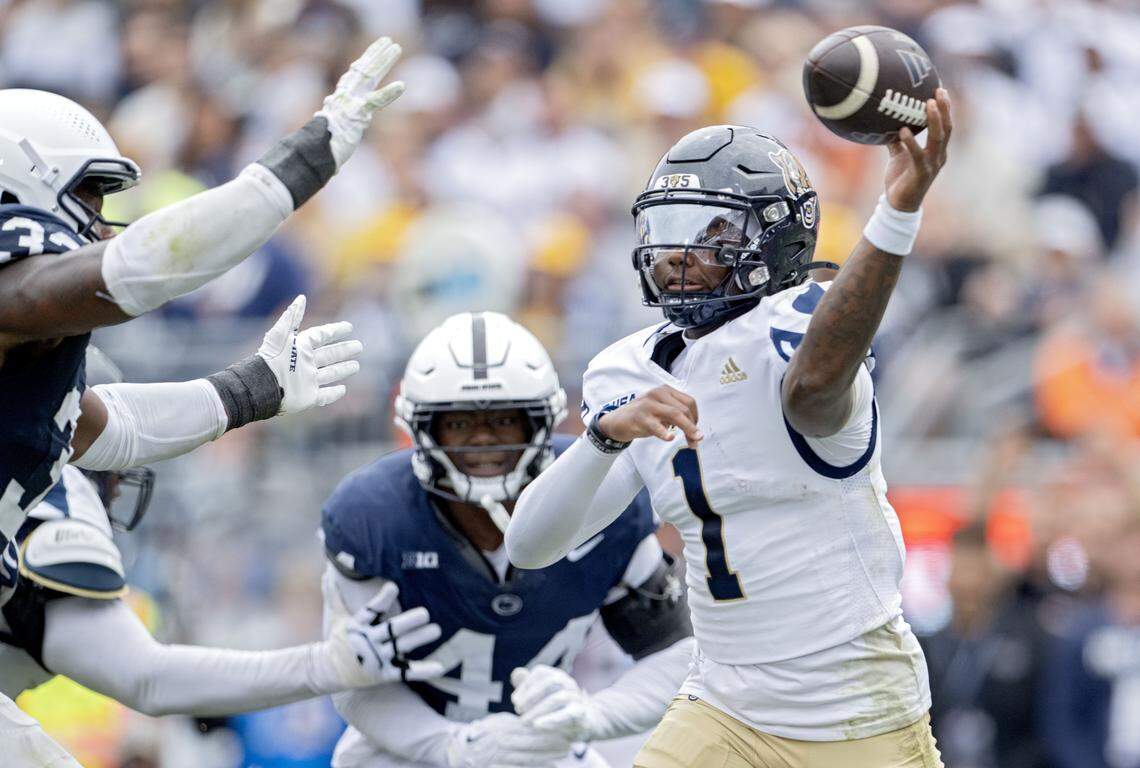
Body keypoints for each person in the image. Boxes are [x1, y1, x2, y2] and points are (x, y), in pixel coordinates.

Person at [506, 91, 953, 767]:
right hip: (724, 701)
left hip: (852, 705)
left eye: (712, 230)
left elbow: (813, 390)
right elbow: (531, 545)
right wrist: (603, 438)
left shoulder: (805, 328)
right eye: (670, 226)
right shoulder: (624, 368)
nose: (677, 252)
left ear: (776, 239)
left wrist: (895, 214)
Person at [0, 35, 404, 764]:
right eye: (89, 193)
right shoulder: (19, 298)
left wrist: (245, 392)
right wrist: (301, 164)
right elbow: (138, 271)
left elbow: (107, 425)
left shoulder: (33, 347)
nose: (99, 218)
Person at [320, 312, 695, 767]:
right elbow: (348, 681)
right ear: (421, 428)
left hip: (539, 747)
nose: (482, 440)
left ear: (540, 424)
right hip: (408, 749)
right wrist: (452, 747)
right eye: (459, 423)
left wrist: (592, 715)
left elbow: (676, 656)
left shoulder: (600, 495)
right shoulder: (375, 515)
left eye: (503, 421)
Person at [0, 462, 443, 717]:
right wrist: (324, 664)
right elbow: (149, 679)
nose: (116, 497)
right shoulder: (56, 495)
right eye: (114, 482)